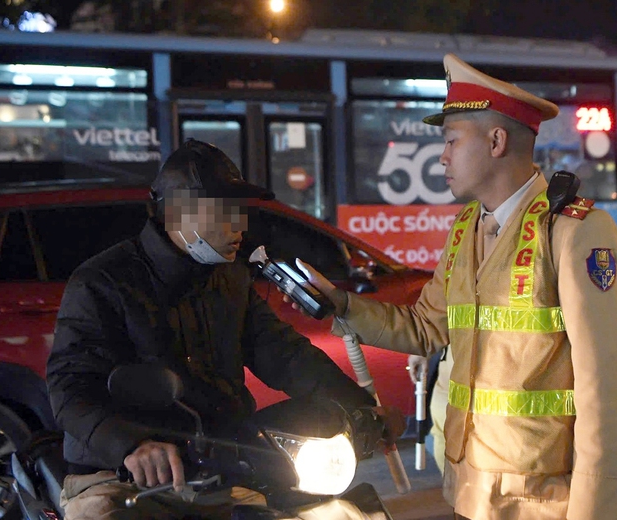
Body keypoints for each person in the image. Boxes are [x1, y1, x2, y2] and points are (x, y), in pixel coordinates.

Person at [290, 54, 617, 520]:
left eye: (452, 140)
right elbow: (425, 327)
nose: (443, 156)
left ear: (496, 141)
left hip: (539, 503)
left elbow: (603, 391)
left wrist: (595, 513)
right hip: (469, 493)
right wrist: (340, 303)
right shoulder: (465, 228)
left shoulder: (573, 232)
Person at [46, 139, 402, 520]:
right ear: (179, 213)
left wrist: (362, 408)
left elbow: (285, 354)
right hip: (121, 478)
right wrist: (131, 445)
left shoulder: (230, 279)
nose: (239, 226)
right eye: (225, 213)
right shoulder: (102, 282)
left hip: (217, 473)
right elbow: (69, 385)